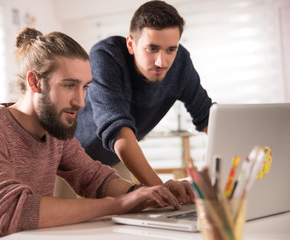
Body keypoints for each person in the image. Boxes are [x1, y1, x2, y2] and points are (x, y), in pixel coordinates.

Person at [0, 27, 194, 239]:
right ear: (35, 82)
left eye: (85, 87)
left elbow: (95, 179)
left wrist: (150, 193)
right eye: (69, 85)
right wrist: (118, 205)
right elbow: (10, 211)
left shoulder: (56, 133)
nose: (81, 101)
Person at [75, 0, 213, 186]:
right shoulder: (106, 56)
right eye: (152, 49)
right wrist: (160, 188)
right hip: (68, 159)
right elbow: (117, 130)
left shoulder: (180, 63)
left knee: (135, 210)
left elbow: (209, 118)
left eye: (171, 49)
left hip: (112, 159)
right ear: (131, 44)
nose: (161, 62)